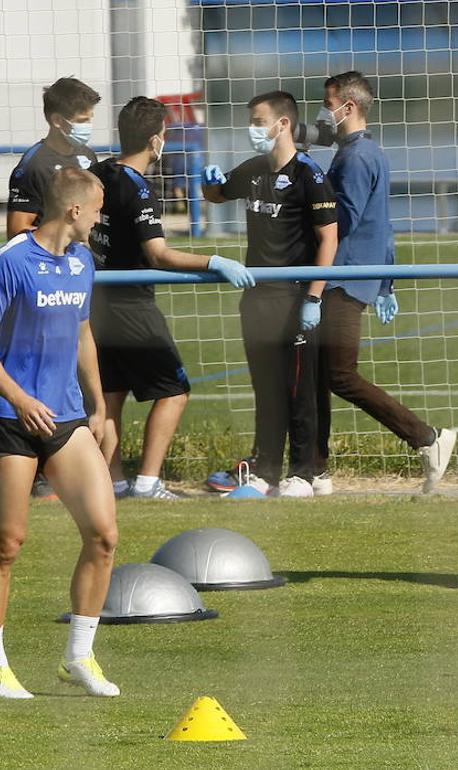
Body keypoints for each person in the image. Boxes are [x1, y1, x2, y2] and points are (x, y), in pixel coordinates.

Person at [89, 97, 255, 499]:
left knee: (111, 396)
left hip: (96, 304)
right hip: (131, 306)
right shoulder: (138, 188)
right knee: (174, 391)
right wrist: (214, 260)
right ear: (155, 140)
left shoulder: (99, 172)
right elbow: (158, 254)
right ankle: (147, 482)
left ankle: (114, 482)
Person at [0, 168, 122, 698]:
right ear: (74, 211)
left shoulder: (83, 263)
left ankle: (78, 657)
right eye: (97, 208)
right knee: (7, 544)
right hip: (11, 420)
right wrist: (21, 400)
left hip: (66, 418)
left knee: (104, 535)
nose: (100, 218)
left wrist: (98, 407)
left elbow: (81, 334)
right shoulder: (12, 262)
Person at [313, 71, 456, 495]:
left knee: (339, 375)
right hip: (353, 276)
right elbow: (383, 225)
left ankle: (426, 437)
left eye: (328, 102)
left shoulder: (355, 158)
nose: (325, 112)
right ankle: (314, 470)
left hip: (342, 278)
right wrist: (387, 282)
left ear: (348, 107)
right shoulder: (366, 153)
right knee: (321, 376)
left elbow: (344, 220)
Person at [202, 91, 338, 497]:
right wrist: (208, 183)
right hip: (257, 297)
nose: (252, 129)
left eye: (258, 120)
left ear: (282, 124)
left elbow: (329, 239)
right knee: (266, 388)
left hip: (295, 297)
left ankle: (305, 472)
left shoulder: (309, 175)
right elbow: (219, 194)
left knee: (300, 389)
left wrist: (313, 298)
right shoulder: (255, 169)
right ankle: (266, 470)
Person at [7, 77, 102, 501]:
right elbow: (18, 232)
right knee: (9, 540)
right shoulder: (31, 166)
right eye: (83, 120)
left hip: (75, 278)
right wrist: (55, 257)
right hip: (37, 294)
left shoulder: (87, 157)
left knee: (104, 533)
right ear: (59, 121)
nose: (88, 127)